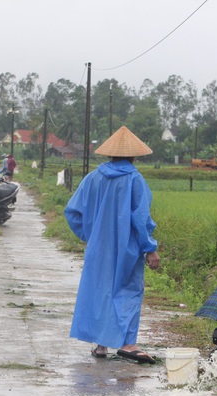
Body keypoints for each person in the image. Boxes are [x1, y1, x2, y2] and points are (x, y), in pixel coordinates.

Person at [64, 126, 160, 364]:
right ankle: (128, 343)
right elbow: (140, 218)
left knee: (101, 291)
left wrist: (91, 234)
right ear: (134, 155)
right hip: (126, 249)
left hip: (98, 247)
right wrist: (149, 248)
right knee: (127, 290)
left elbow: (73, 212)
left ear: (109, 154)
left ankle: (101, 346)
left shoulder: (93, 177)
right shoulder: (134, 179)